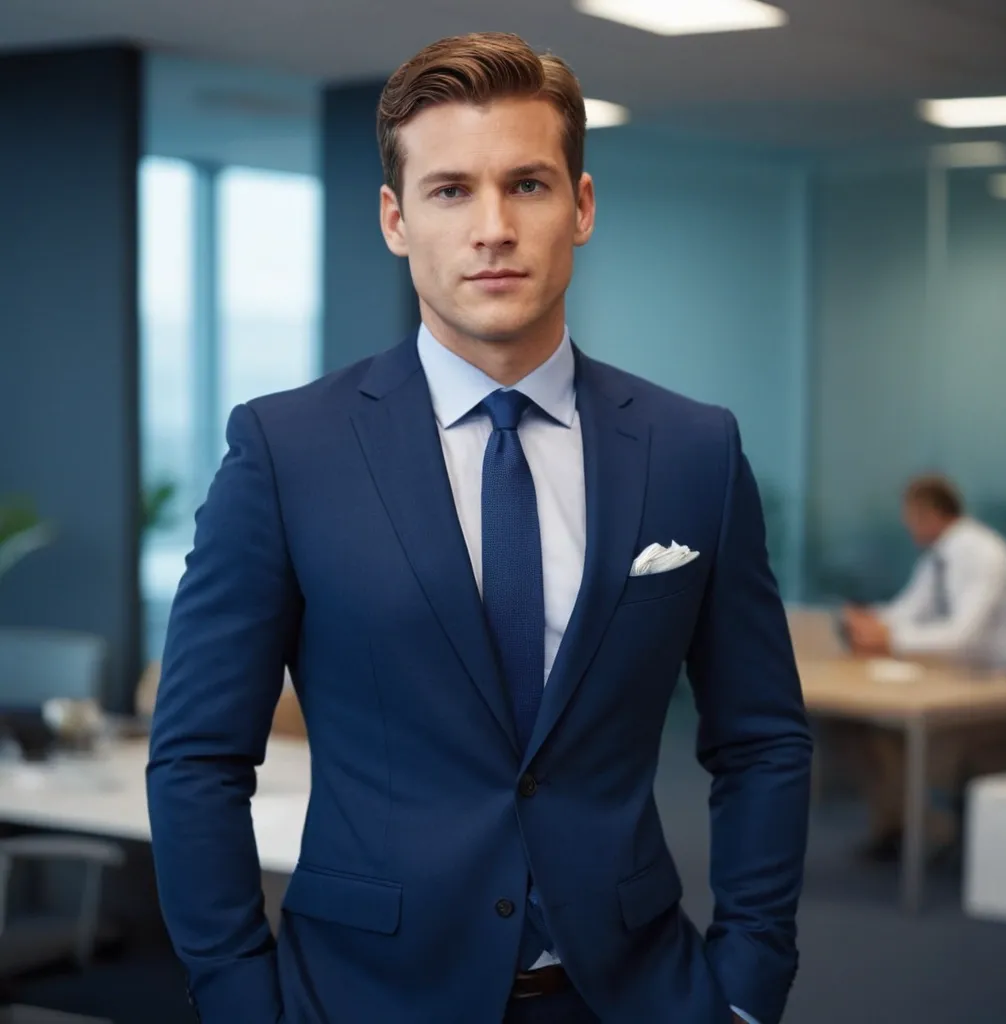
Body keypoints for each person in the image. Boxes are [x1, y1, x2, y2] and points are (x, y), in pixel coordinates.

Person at [146, 32, 811, 1024]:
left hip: (635, 994)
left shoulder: (692, 449)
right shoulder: (287, 451)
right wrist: (242, 997)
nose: (492, 227)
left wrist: (748, 983)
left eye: (528, 185)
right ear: (395, 219)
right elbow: (198, 754)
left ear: (580, 207)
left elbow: (760, 739)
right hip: (360, 997)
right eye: (450, 190)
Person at [842, 475, 1006, 858]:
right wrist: (871, 621)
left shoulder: (986, 555)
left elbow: (963, 637)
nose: (907, 525)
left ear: (930, 513)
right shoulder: (939, 558)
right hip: (957, 678)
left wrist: (888, 639)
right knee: (860, 728)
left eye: (910, 516)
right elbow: (909, 609)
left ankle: (927, 828)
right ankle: (904, 826)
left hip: (1001, 688)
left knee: (895, 736)